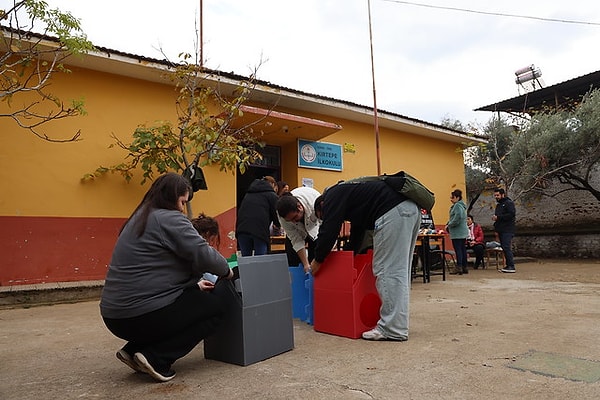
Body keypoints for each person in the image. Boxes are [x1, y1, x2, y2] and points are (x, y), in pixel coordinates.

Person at [100, 173, 234, 382]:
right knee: (217, 306)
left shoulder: (138, 218)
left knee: (192, 298)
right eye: (182, 201)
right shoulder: (168, 218)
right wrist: (226, 271)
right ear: (171, 197)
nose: (182, 208)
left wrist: (194, 285)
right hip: (139, 315)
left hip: (115, 316)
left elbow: (158, 270)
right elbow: (203, 254)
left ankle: (134, 350)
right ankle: (156, 358)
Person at [310, 179, 420, 341]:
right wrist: (349, 255)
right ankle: (398, 323)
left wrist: (317, 260)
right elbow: (358, 232)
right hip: (410, 209)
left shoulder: (332, 195)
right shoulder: (353, 195)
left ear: (322, 204)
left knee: (386, 270)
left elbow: (329, 230)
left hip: (391, 211)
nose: (326, 216)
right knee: (399, 271)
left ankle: (392, 328)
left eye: (323, 215)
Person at [276, 186, 321, 273]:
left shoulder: (315, 202)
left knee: (316, 259)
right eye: (289, 220)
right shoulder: (282, 216)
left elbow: (325, 227)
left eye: (294, 217)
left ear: (299, 207)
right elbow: (296, 239)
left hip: (315, 229)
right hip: (297, 233)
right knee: (293, 258)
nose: (293, 222)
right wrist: (305, 264)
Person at [235, 176, 281, 256]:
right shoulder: (271, 195)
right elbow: (276, 214)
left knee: (246, 259)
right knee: (260, 260)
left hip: (242, 229)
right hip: (259, 231)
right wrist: (277, 226)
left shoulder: (248, 194)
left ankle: (246, 269)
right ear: (273, 185)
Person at [492, 187, 517, 273]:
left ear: (503, 194)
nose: (496, 197)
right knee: (504, 248)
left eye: (498, 195)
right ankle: (508, 265)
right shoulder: (499, 205)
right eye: (495, 195)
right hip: (501, 229)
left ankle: (511, 266)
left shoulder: (509, 203)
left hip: (507, 229)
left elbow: (511, 214)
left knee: (506, 247)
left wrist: (499, 217)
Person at [445, 189, 468, 275]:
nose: (451, 199)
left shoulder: (457, 206)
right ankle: (464, 266)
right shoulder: (461, 206)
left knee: (458, 249)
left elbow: (457, 217)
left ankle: (459, 266)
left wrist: (449, 225)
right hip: (462, 231)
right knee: (462, 249)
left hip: (457, 232)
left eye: (453, 197)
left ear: (457, 197)